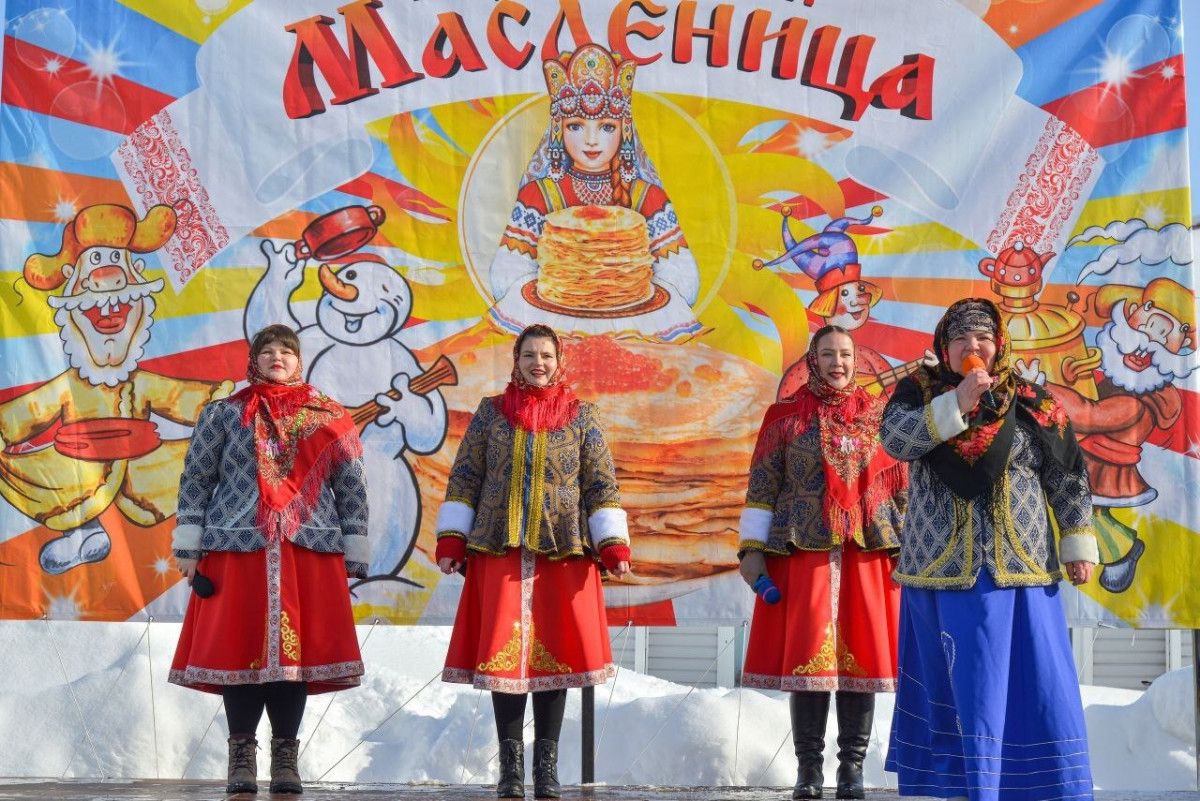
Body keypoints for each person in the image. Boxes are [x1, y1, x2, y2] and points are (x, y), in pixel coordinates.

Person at [880, 298, 1099, 801]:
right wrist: (956, 403)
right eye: (961, 339)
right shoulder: (918, 392)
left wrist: (1077, 540)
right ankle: (958, 788)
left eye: (982, 338)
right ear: (944, 347)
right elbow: (895, 441)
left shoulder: (1032, 398)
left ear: (999, 344)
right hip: (941, 569)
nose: (972, 347)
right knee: (959, 688)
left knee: (1036, 683)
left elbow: (1066, 472)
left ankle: (1038, 786)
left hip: (1020, 568)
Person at [170, 323, 369, 795]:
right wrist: (188, 546)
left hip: (308, 549)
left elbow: (352, 485)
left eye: (287, 351)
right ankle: (241, 756)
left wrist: (354, 548)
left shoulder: (328, 415)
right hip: (237, 547)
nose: (277, 357)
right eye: (267, 350)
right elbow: (196, 479)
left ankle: (285, 757)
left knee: (294, 658)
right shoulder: (224, 414)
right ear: (253, 359)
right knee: (239, 651)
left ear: (299, 361)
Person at [435, 323, 632, 799]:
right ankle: (510, 770)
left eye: (546, 355)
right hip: (499, 550)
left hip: (562, 551)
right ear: (516, 360)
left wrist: (612, 543)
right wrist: (452, 538)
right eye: (529, 355)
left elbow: (600, 483)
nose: (537, 363)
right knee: (505, 662)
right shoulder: (491, 413)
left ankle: (546, 770)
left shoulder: (582, 416)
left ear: (558, 362)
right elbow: (466, 476)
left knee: (554, 658)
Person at [739, 325, 907, 800]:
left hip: (865, 550)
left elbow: (901, 488)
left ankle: (852, 768)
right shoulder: (785, 416)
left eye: (846, 354)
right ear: (813, 360)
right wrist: (752, 548)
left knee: (861, 661)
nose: (838, 363)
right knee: (808, 661)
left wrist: (910, 546)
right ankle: (808, 768)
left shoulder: (879, 416)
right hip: (804, 550)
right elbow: (762, 484)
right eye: (829, 354)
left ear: (857, 360)